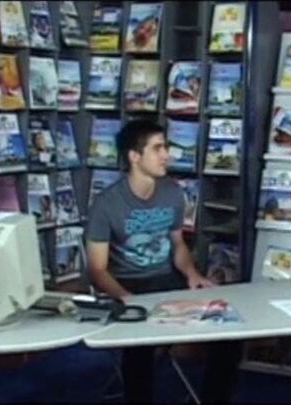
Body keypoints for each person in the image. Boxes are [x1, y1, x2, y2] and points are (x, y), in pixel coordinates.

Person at [85, 119, 242, 404]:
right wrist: (126, 298)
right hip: (128, 283)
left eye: (166, 147)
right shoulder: (106, 204)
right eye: (157, 148)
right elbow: (97, 269)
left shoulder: (172, 192)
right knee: (139, 343)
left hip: (168, 279)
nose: (166, 155)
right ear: (134, 156)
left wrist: (192, 274)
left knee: (230, 331)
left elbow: (178, 243)